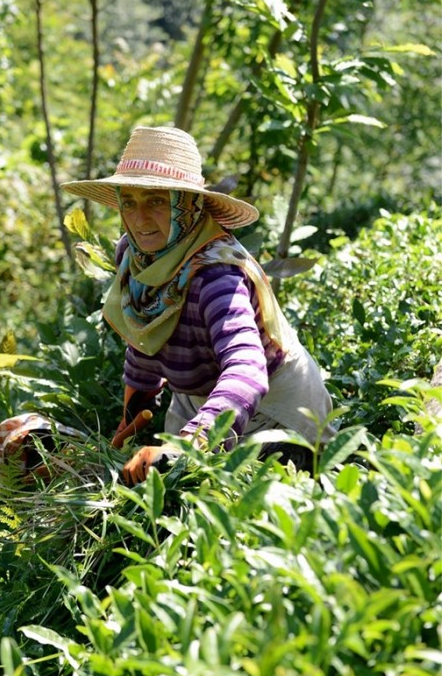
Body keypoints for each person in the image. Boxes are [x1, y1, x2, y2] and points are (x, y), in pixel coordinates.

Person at [62, 125, 335, 486]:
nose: (140, 218)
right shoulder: (135, 256)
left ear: (188, 206)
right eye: (129, 202)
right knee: (171, 492)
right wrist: (126, 428)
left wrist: (190, 445)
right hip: (199, 396)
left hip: (271, 407)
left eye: (157, 201)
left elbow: (246, 372)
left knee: (238, 507)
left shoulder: (217, 276)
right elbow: (145, 336)